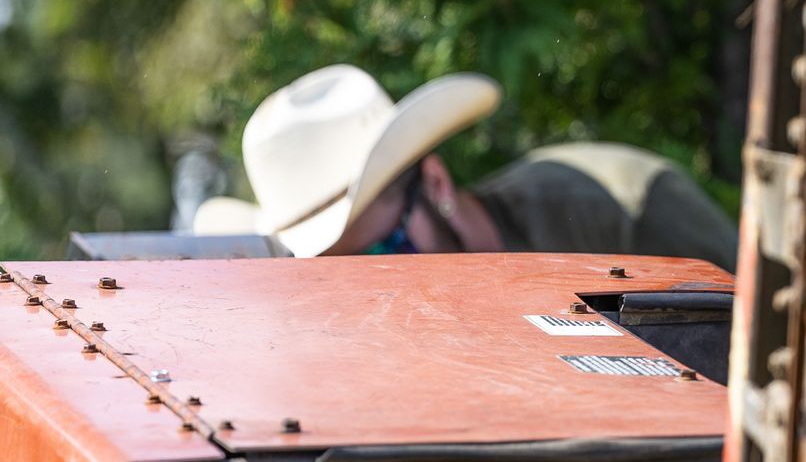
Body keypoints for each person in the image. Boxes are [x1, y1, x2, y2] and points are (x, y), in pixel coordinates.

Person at [194, 64, 737, 269]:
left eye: (388, 253)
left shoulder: (632, 214)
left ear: (435, 182)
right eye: (337, 282)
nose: (376, 295)